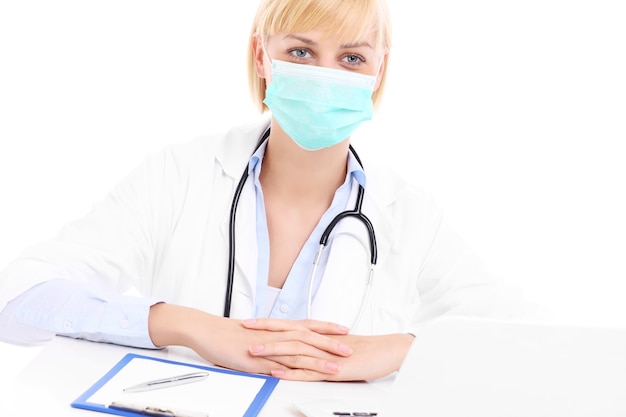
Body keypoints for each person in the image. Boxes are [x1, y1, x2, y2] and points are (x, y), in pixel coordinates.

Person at [0, 0, 523, 382]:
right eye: (300, 50)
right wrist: (185, 326)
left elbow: (523, 342)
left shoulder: (411, 214)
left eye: (352, 59)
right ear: (262, 59)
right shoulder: (178, 175)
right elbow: (18, 300)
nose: (324, 76)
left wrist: (402, 349)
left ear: (379, 69)